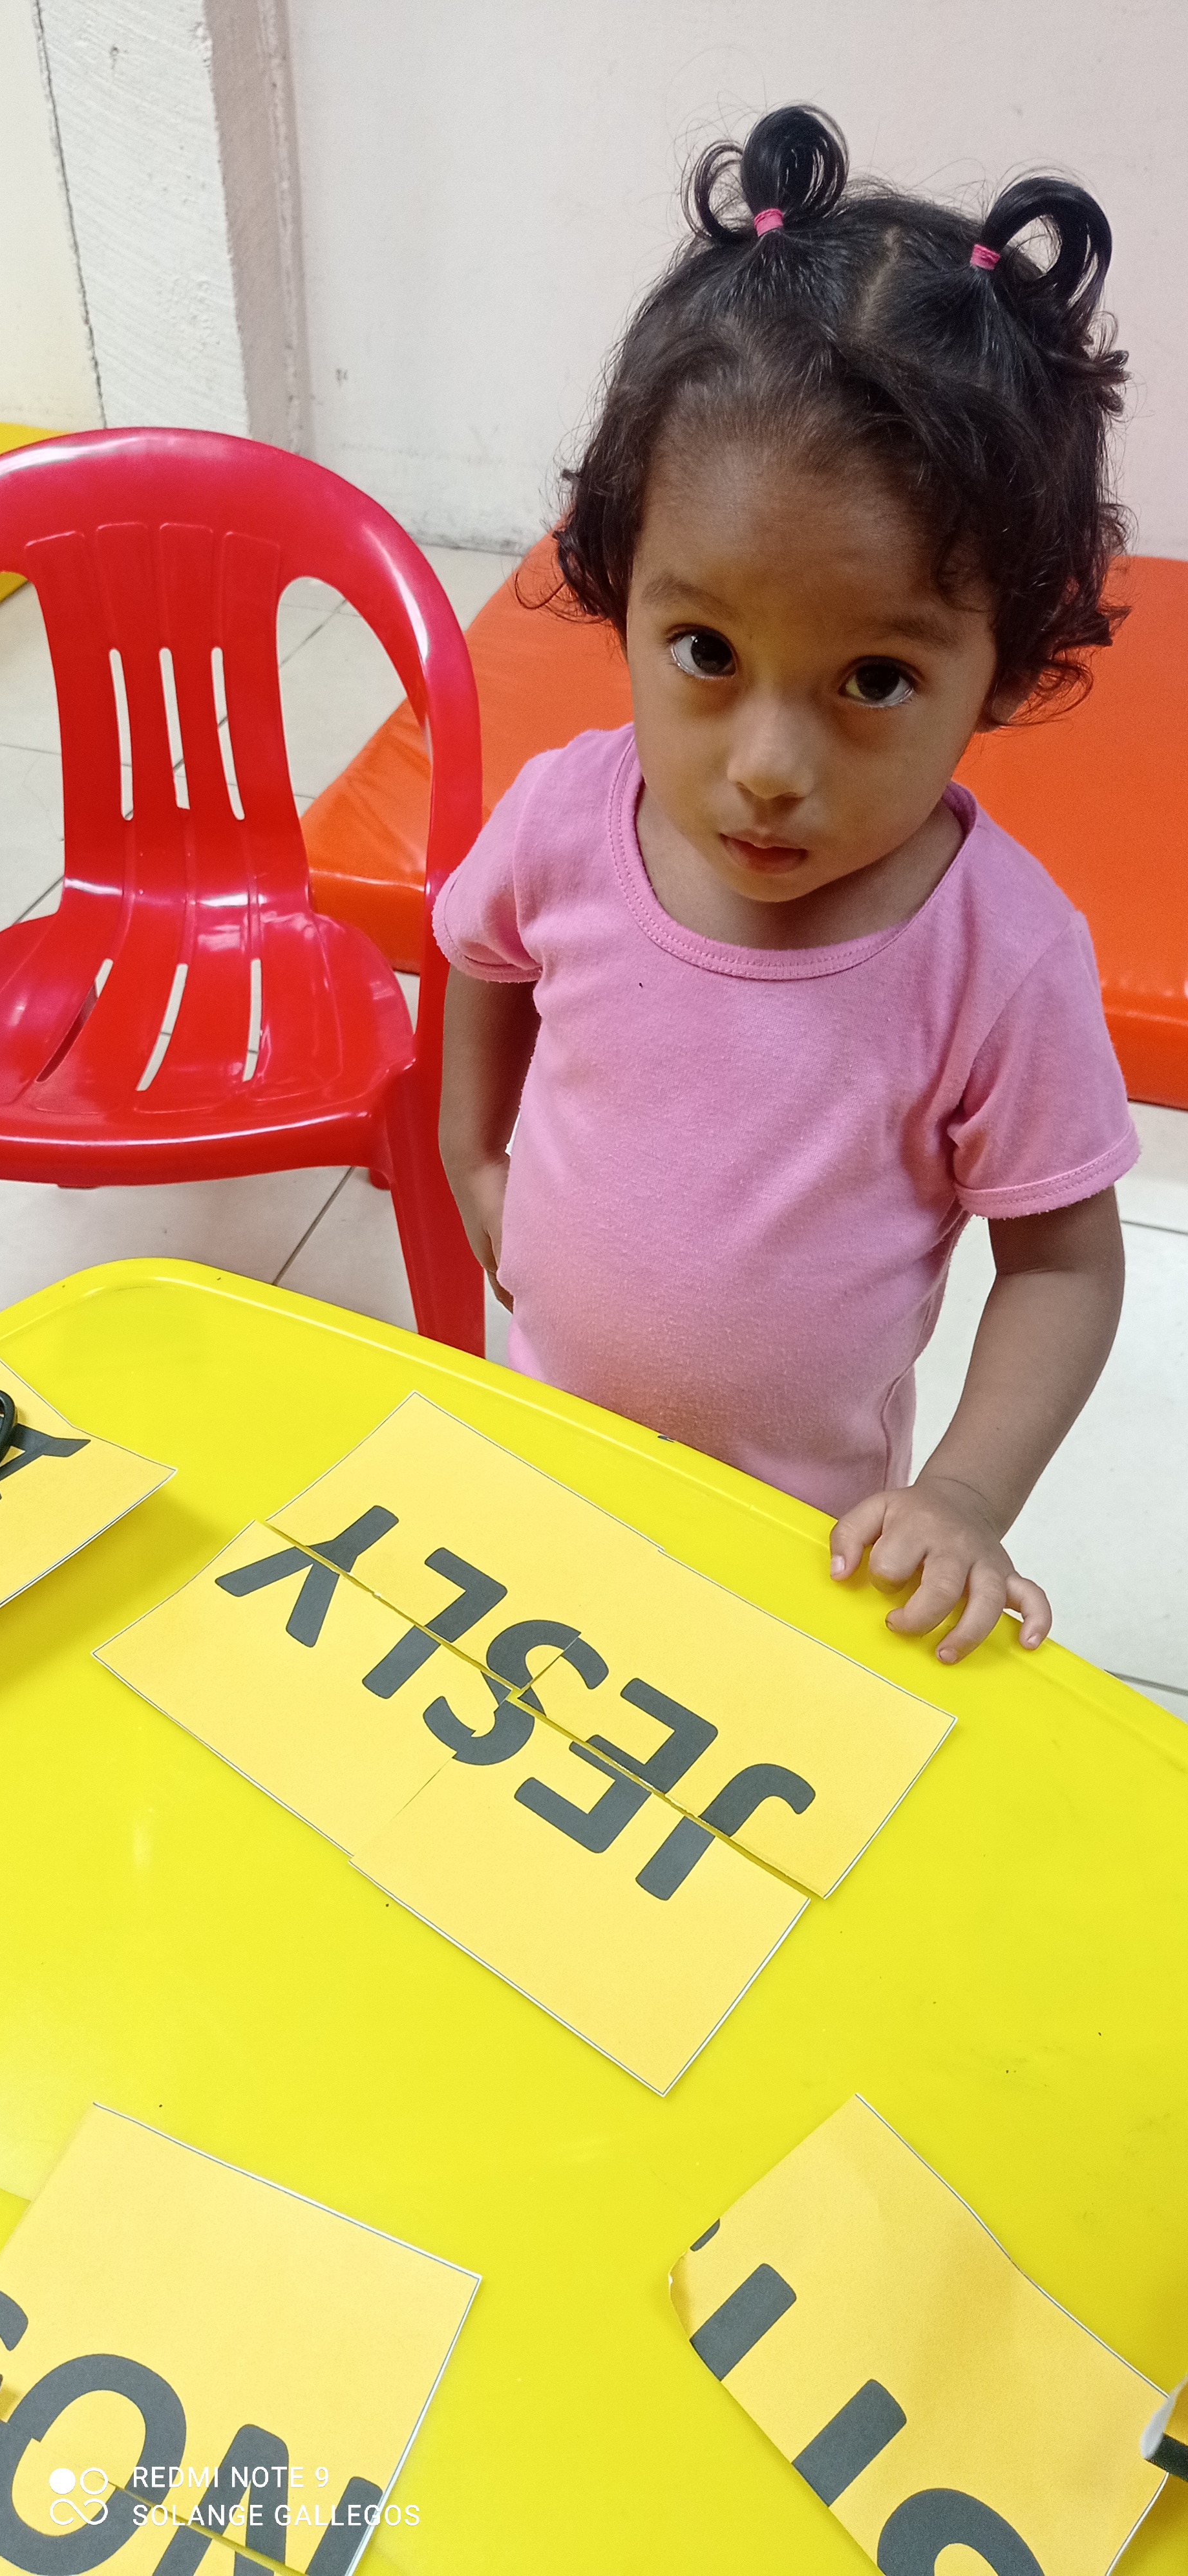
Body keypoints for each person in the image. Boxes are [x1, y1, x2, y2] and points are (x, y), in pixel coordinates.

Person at [435, 103, 1137, 1664]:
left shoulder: (995, 954)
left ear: (1002, 669)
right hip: (545, 1452)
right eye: (704, 649)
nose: (764, 767)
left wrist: (960, 1494)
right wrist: (472, 1154)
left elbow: (1062, 1264)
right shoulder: (565, 816)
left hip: (799, 1546)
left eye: (872, 679)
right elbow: (481, 955)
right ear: (621, 587)